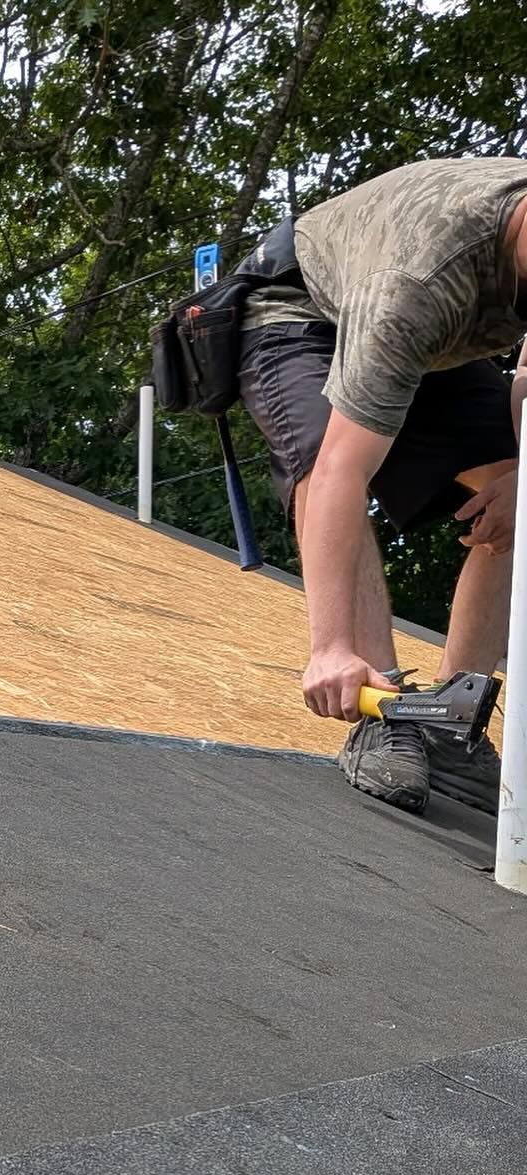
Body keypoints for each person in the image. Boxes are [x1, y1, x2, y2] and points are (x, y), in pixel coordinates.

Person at [237, 156, 527, 813]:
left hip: (434, 338)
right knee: (321, 456)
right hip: (301, 309)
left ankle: (451, 721)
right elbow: (344, 466)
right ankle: (382, 704)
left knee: (517, 485)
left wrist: (523, 482)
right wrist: (329, 646)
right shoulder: (419, 280)